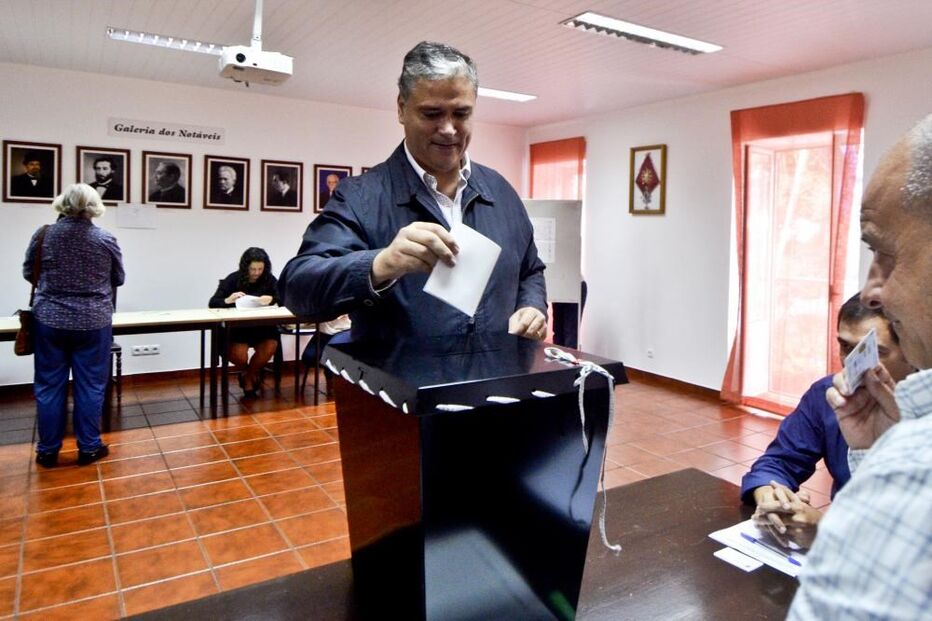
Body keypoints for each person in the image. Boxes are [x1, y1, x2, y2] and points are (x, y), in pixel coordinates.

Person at [279, 41, 547, 342]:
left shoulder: (501, 191)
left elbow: (531, 271)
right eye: (432, 114)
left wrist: (532, 306)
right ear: (401, 109)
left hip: (496, 370)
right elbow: (297, 288)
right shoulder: (360, 197)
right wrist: (379, 265)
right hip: (402, 374)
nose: (448, 129)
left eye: (461, 113)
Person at [788, 114, 932, 618]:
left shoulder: (914, 465)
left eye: (883, 251)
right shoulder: (846, 405)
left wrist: (893, 457)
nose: (873, 290)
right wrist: (876, 449)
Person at [742, 293, 913, 547]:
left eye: (873, 352)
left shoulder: (922, 411)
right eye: (846, 347)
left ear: (912, 352)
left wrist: (828, 531)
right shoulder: (827, 395)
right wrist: (771, 496)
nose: (855, 365)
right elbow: (779, 461)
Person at [23, 183, 125, 467]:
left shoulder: (44, 235)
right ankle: (89, 447)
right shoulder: (105, 238)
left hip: (50, 319)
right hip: (93, 321)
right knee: (91, 385)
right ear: (94, 207)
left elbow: (29, 272)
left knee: (48, 385)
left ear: (63, 203)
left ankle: (47, 450)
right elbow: (119, 278)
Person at [209, 248, 280, 398]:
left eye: (260, 269)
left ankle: (248, 377)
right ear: (245, 267)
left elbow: (284, 297)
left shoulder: (269, 279)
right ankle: (249, 373)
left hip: (262, 327)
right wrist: (228, 300)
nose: (256, 273)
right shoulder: (233, 279)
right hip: (238, 329)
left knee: (270, 346)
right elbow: (213, 302)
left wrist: (272, 299)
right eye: (253, 269)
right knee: (239, 356)